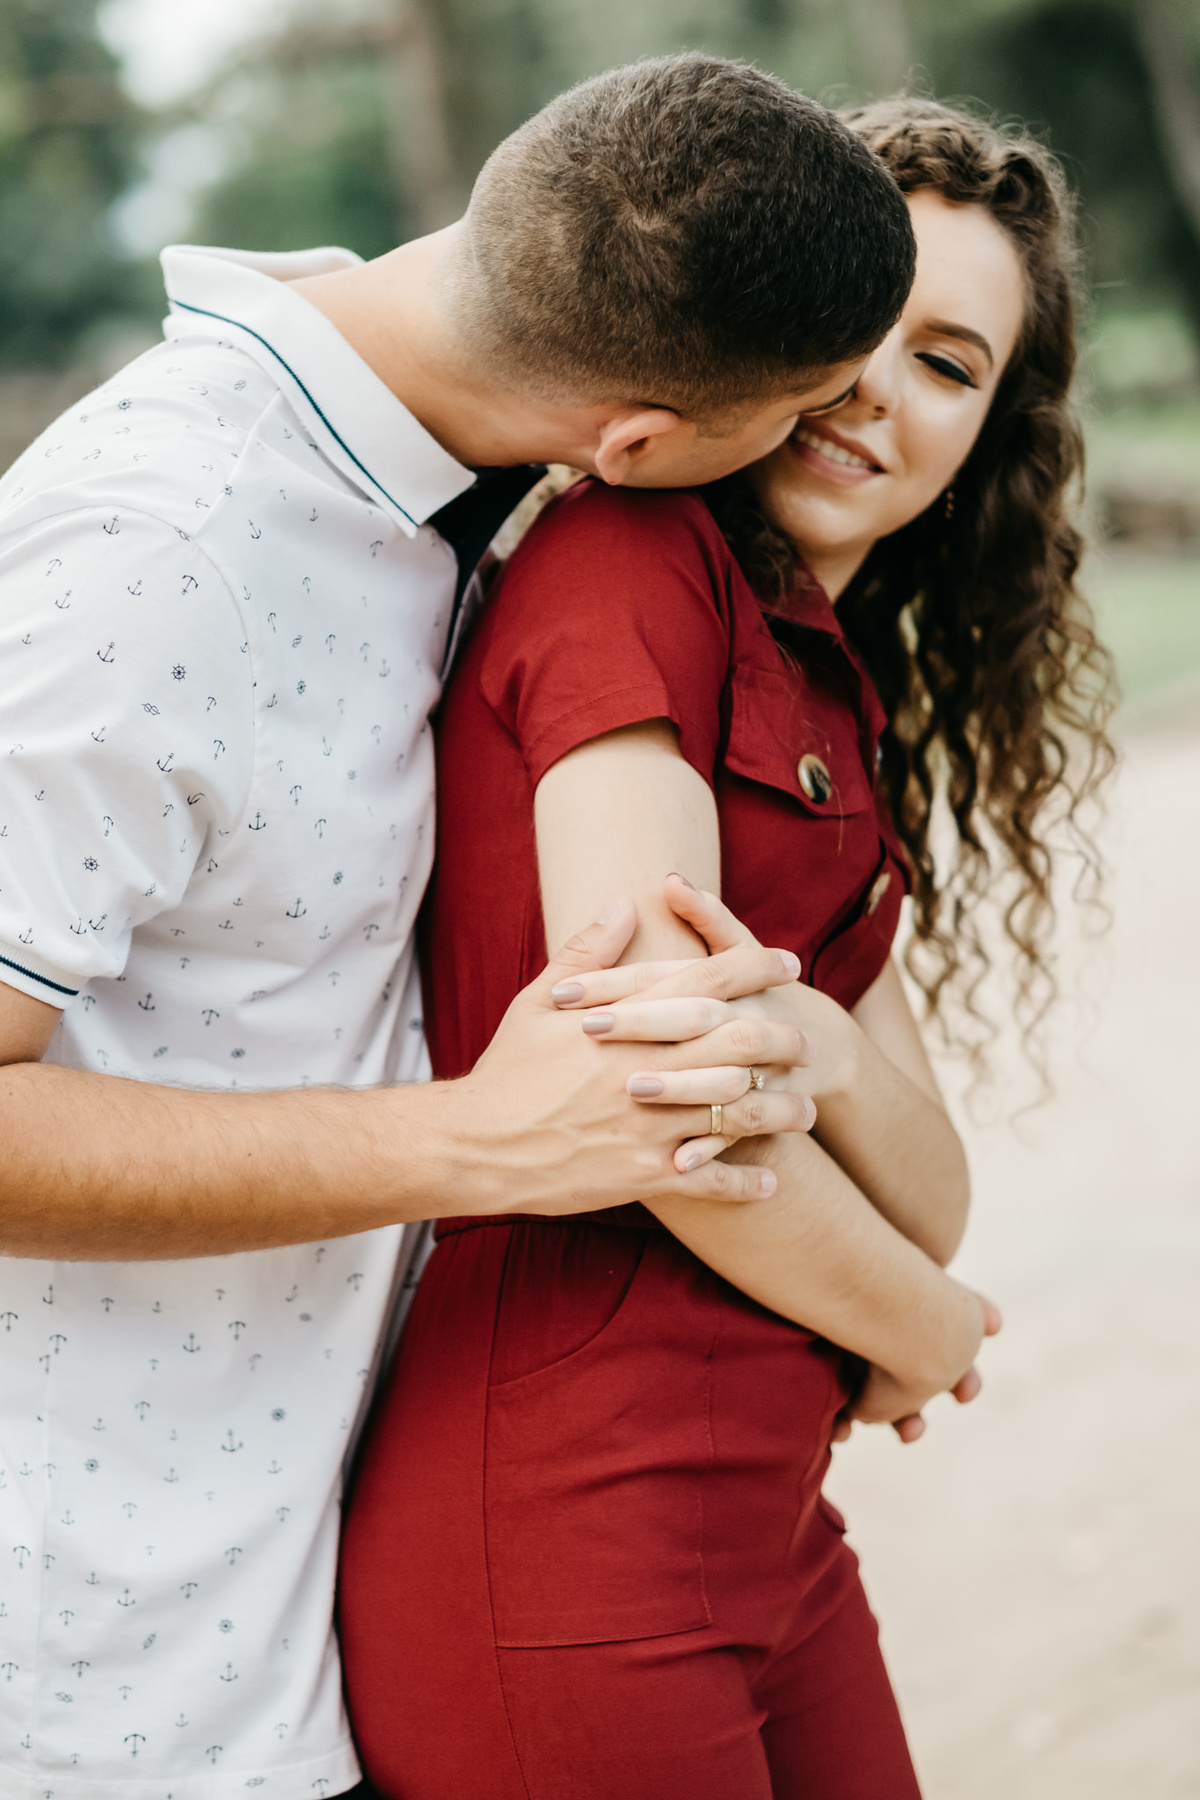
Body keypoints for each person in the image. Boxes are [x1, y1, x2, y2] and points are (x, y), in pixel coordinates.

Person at [0, 57, 920, 1800]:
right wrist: (478, 1141)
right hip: (100, 1668)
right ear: (639, 443)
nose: (827, 436)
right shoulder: (155, 554)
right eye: (803, 406)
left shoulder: (442, 467)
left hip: (304, 1589)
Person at [339, 99, 1115, 1799]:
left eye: (950, 366)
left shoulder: (835, 675)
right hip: (566, 1541)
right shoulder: (629, 567)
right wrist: (925, 1330)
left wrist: (823, 1048)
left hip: (766, 1524)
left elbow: (929, 1179)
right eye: (862, 322)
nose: (874, 391)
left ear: (988, 434)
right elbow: (668, 1114)